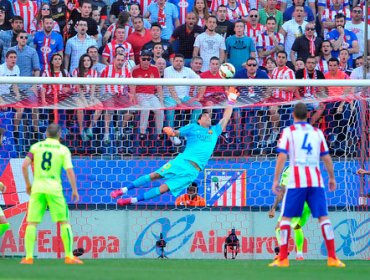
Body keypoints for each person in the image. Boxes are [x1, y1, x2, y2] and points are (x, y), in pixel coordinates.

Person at [110, 90, 238, 206]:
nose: (209, 117)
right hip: (181, 161)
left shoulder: (214, 131)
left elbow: (225, 117)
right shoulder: (193, 127)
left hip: (192, 171)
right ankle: (123, 190)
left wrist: (231, 100)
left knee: (163, 189)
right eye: (206, 115)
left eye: (209, 116)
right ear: (199, 120)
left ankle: (131, 201)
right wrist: (170, 131)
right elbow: (176, 133)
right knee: (155, 175)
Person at [268, 102, 345, 268]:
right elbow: (326, 157)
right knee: (323, 218)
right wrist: (332, 178)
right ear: (308, 115)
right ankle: (332, 257)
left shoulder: (289, 132)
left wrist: (276, 180)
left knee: (286, 219)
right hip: (316, 181)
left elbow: (282, 157)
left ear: (294, 115)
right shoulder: (317, 133)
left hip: (297, 181)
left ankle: (283, 258)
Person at [20, 123, 82, 265]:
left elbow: (24, 165)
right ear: (59, 135)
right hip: (54, 189)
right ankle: (69, 257)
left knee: (32, 223)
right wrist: (74, 189)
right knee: (64, 222)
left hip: (38, 188)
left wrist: (28, 184)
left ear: (46, 134)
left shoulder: (36, 147)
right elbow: (69, 171)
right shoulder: (63, 150)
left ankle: (28, 257)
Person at [268, 166, 310, 261]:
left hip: (296, 201)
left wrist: (273, 208)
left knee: (278, 228)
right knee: (297, 227)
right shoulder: (309, 168)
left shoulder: (289, 170)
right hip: (308, 203)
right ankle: (299, 255)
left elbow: (282, 192)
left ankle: (283, 252)